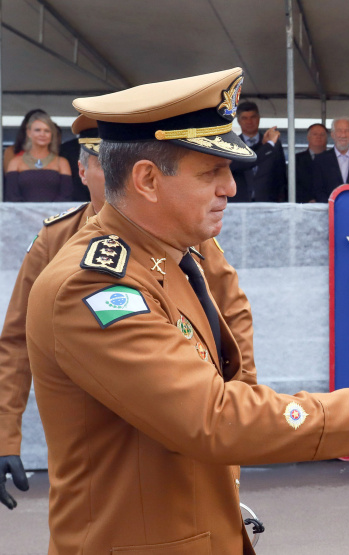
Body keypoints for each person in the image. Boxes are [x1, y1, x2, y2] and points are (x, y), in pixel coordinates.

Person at [27, 68, 349, 553]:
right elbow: (213, 416)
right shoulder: (93, 284)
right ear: (146, 180)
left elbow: (234, 374)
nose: (230, 187)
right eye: (210, 172)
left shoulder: (173, 257)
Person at [0, 115, 254, 510]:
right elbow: (15, 340)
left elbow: (232, 314)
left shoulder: (182, 231)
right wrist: (4, 435)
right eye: (101, 164)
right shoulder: (57, 241)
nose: (109, 176)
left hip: (183, 419)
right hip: (100, 443)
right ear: (82, 171)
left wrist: (242, 409)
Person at [4, 111, 73, 201]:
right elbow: (12, 196)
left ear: (52, 134)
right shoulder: (15, 162)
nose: (42, 134)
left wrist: (51, 214)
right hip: (22, 214)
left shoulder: (62, 163)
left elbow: (66, 196)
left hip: (56, 214)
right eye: (37, 130)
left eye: (47, 131)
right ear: (28, 133)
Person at [228, 101, 287, 202]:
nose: (249, 121)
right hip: (239, 202)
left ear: (259, 118)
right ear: (238, 121)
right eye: (244, 118)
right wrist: (268, 145)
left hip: (268, 202)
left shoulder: (274, 144)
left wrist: (281, 198)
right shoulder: (231, 144)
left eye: (253, 117)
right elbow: (243, 162)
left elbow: (280, 174)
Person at [310, 117, 349, 202]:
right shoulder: (320, 160)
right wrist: (333, 206)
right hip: (328, 211)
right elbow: (318, 190)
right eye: (339, 131)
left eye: (347, 131)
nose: (343, 135)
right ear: (332, 134)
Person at [294, 123, 328, 203]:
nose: (318, 137)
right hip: (302, 205)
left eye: (322, 134)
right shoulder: (296, 159)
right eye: (315, 134)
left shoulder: (333, 159)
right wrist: (308, 199)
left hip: (327, 205)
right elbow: (293, 184)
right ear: (308, 137)